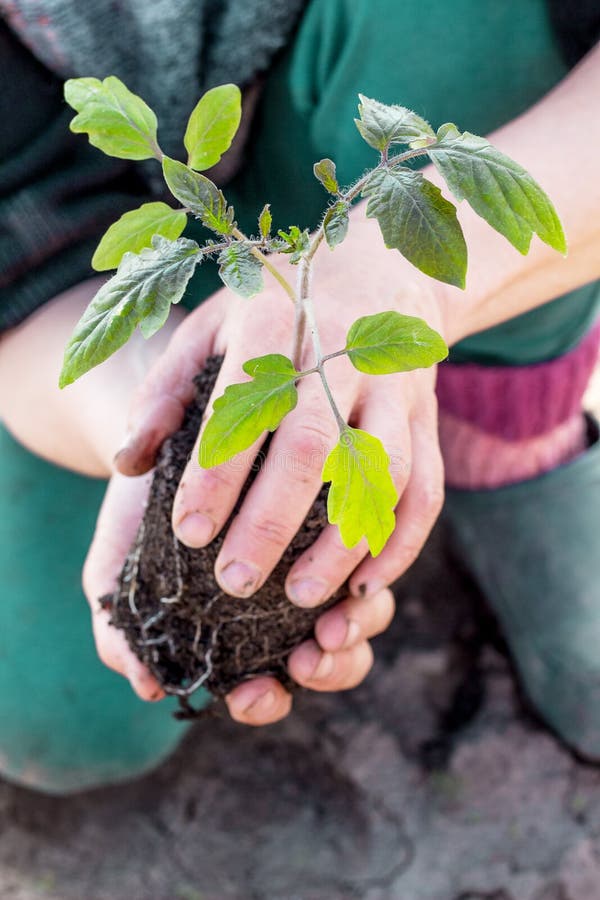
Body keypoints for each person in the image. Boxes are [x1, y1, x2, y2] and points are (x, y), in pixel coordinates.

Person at [0, 0, 598, 794]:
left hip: (382, 117)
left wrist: (402, 277)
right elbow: (24, 243)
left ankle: (503, 430)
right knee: (66, 711)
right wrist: (158, 428)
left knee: (475, 34)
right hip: (124, 270)